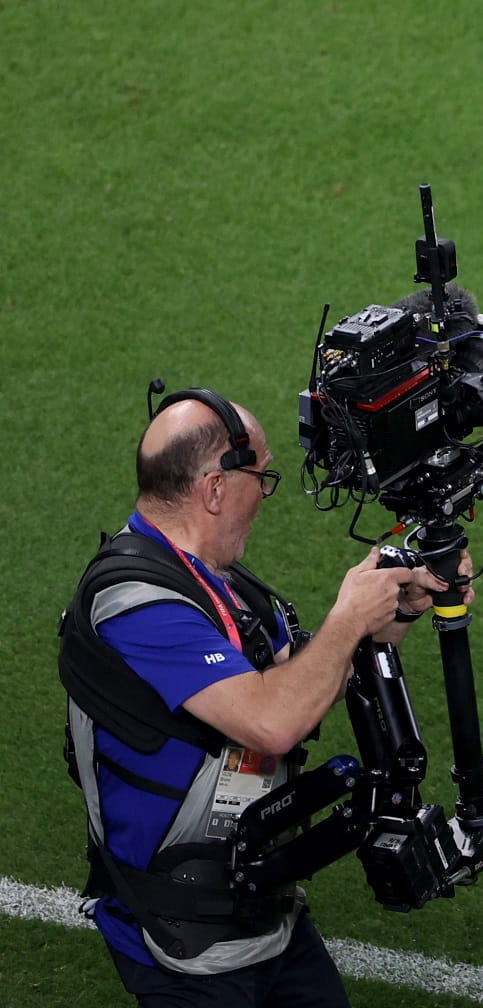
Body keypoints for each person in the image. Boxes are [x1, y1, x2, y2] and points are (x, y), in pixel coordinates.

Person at [59, 388, 461, 1006]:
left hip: (259, 906)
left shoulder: (222, 583)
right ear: (215, 488)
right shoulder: (137, 605)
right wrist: (348, 617)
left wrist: (392, 612)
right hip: (183, 938)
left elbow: (302, 685)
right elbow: (273, 723)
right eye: (262, 478)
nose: (266, 496)